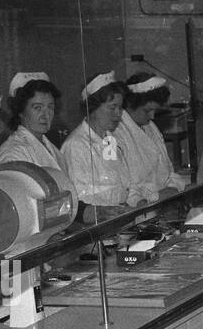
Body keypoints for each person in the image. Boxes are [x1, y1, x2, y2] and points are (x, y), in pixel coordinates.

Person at [60, 71, 133, 223]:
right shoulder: (76, 145)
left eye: (120, 108)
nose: (118, 114)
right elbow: (79, 199)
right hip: (94, 226)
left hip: (116, 221)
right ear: (92, 107)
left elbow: (118, 183)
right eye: (112, 108)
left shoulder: (109, 140)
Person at [115, 72, 188, 203]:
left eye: (155, 110)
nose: (152, 116)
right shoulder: (117, 134)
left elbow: (167, 171)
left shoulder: (150, 127)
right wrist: (155, 197)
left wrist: (174, 187)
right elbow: (123, 190)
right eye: (147, 110)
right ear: (130, 105)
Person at [0, 72, 65, 173]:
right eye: (37, 108)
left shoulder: (52, 149)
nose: (46, 115)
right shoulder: (13, 154)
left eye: (50, 107)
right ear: (20, 111)